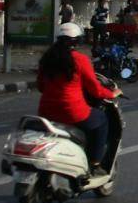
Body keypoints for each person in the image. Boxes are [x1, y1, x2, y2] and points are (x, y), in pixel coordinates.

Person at [37, 23, 120, 176]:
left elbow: (41, 86)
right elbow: (94, 89)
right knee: (101, 120)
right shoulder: (80, 60)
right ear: (76, 42)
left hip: (46, 112)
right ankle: (95, 163)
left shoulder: (47, 58)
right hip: (72, 112)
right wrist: (112, 94)